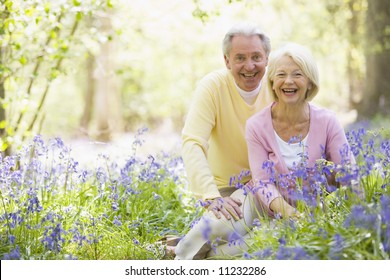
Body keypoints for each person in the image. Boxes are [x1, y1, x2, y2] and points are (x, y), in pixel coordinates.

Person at [174, 23, 273, 259]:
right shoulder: (213, 87)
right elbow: (193, 142)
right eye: (240, 58)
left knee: (259, 238)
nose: (249, 66)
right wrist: (211, 197)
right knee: (222, 226)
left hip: (269, 187)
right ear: (227, 61)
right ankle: (182, 256)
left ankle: (198, 254)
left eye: (256, 57)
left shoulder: (277, 84)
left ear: (267, 58)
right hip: (226, 190)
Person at [245, 43, 355, 218]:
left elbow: (349, 171)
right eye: (281, 74)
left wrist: (359, 212)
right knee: (220, 234)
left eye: (297, 74)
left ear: (310, 83)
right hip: (265, 209)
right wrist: (292, 215)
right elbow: (263, 182)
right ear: (272, 83)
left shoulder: (328, 121)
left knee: (238, 247)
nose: (288, 81)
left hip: (315, 213)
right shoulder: (256, 126)